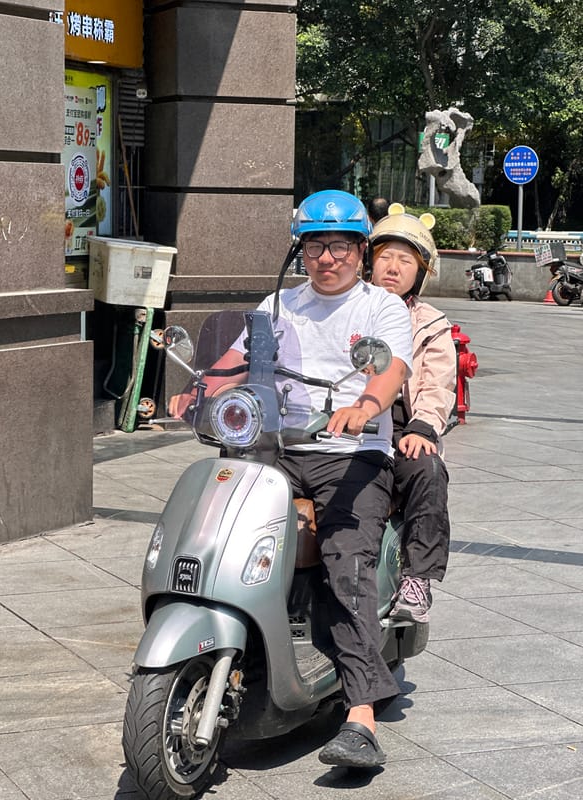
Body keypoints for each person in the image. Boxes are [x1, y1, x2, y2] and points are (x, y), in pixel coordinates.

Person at [169, 190, 413, 769]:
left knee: (343, 558)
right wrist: (199, 392)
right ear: (298, 250)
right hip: (276, 445)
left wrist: (366, 406)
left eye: (339, 246)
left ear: (360, 250)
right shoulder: (278, 305)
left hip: (349, 451)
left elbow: (388, 370)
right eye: (314, 246)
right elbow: (232, 363)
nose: (327, 258)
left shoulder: (380, 308)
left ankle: (361, 718)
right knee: (221, 527)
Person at [367, 204, 456, 624]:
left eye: (406, 260)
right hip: (338, 423)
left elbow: (437, 383)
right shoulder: (349, 306)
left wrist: (422, 426)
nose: (393, 267)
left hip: (401, 427)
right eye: (385, 256)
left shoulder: (430, 323)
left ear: (419, 273)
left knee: (428, 471)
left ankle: (417, 577)